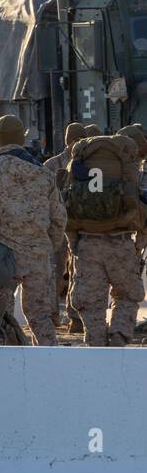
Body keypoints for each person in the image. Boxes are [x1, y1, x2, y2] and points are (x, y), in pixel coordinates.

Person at [0, 116, 65, 346]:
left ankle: (5, 364)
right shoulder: (44, 175)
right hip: (38, 256)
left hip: (3, 256)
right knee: (40, 316)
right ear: (22, 139)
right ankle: (50, 363)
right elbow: (59, 218)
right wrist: (46, 246)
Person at [65, 127, 145, 346]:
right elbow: (140, 210)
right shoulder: (128, 171)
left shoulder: (79, 169)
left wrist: (74, 244)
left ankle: (96, 339)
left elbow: (67, 212)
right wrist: (140, 241)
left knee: (91, 300)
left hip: (88, 243)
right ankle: (119, 334)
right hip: (121, 242)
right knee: (127, 294)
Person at [46, 122, 85, 333]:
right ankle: (51, 317)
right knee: (55, 271)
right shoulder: (53, 165)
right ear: (68, 142)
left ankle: (74, 317)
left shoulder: (88, 162)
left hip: (78, 226)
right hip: (58, 228)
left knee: (76, 273)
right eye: (74, 141)